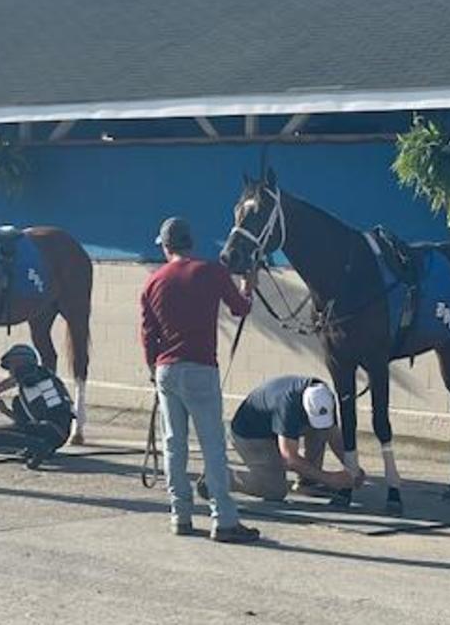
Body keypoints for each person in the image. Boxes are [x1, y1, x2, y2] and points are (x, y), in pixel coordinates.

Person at [140, 216, 261, 544]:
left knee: (173, 445)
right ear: (190, 243)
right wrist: (247, 288)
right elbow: (240, 308)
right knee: (212, 446)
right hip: (200, 368)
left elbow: (148, 335)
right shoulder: (211, 272)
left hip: (166, 369)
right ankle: (223, 518)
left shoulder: (153, 282)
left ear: (166, 247)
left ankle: (180, 515)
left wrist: (154, 369)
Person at [210, 376, 362, 502]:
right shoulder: (287, 404)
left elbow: (333, 434)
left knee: (321, 429)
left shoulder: (323, 396)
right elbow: (289, 458)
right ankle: (218, 478)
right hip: (251, 435)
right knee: (274, 490)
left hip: (275, 428)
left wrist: (352, 467)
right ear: (303, 405)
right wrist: (328, 478)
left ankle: (307, 482)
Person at [0, 344, 74, 469]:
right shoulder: (43, 376)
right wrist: (4, 410)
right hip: (59, 434)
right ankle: (39, 447)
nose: (10, 371)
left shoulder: (28, 372)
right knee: (17, 403)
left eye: (11, 365)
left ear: (20, 362)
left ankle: (38, 447)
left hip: (49, 428)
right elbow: (23, 423)